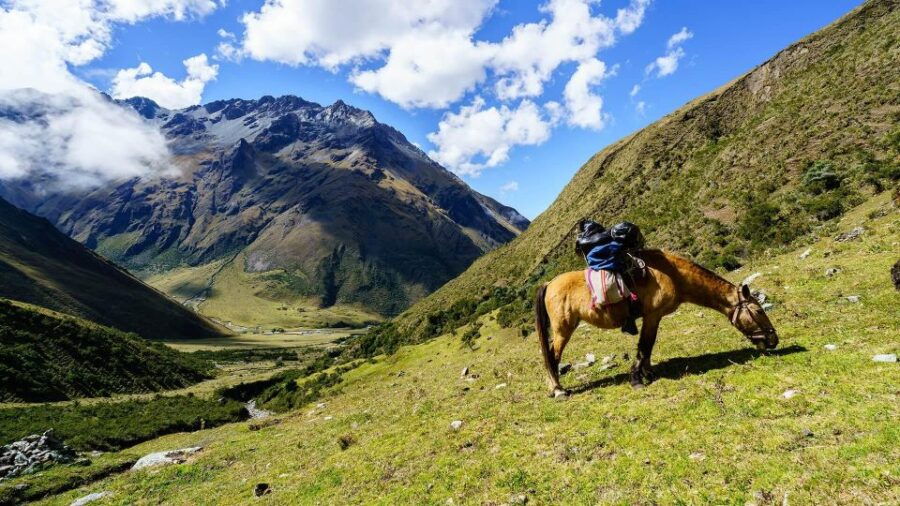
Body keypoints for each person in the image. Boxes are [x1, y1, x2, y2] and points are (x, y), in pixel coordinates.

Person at [575, 220, 644, 335]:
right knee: (623, 274)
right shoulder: (606, 235)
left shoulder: (584, 241)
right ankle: (631, 311)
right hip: (610, 263)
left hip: (596, 265)